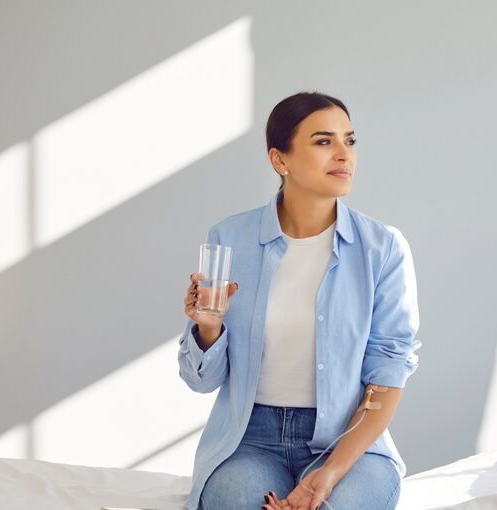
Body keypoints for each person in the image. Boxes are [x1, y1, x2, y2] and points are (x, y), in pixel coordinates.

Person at [177, 91, 421, 510]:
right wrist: (208, 326)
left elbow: (388, 371)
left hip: (348, 441)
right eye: (324, 141)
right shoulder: (229, 240)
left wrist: (330, 473)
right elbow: (201, 381)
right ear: (280, 160)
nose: (344, 154)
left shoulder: (383, 248)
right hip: (250, 440)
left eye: (350, 140)